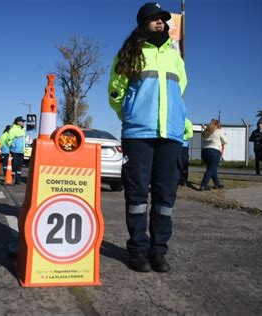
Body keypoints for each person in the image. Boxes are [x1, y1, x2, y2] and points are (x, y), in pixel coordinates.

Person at [108, 2, 187, 273]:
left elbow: (180, 91)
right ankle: (138, 251)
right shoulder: (131, 52)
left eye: (163, 19)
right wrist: (131, 114)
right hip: (138, 133)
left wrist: (180, 120)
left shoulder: (174, 56)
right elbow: (115, 92)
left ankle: (159, 251)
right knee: (138, 195)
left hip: (171, 135)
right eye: (154, 19)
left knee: (165, 197)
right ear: (143, 23)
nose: (160, 23)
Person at [200, 119, 228, 191]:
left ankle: (217, 184)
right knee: (211, 169)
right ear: (217, 125)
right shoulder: (219, 131)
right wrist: (223, 134)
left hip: (204, 151)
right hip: (214, 152)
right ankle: (203, 185)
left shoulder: (206, 131)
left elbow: (203, 137)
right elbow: (225, 141)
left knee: (212, 168)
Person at [6, 116, 26, 185]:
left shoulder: (23, 129)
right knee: (14, 165)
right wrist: (12, 146)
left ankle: (18, 180)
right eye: (22, 121)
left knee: (19, 166)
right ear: (18, 122)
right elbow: (8, 139)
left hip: (21, 151)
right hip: (14, 151)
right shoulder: (13, 129)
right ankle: (12, 178)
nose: (23, 123)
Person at [179, 118, 193, 186]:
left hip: (183, 145)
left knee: (183, 163)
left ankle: (183, 179)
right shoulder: (174, 120)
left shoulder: (187, 122)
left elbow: (190, 134)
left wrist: (179, 137)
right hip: (173, 145)